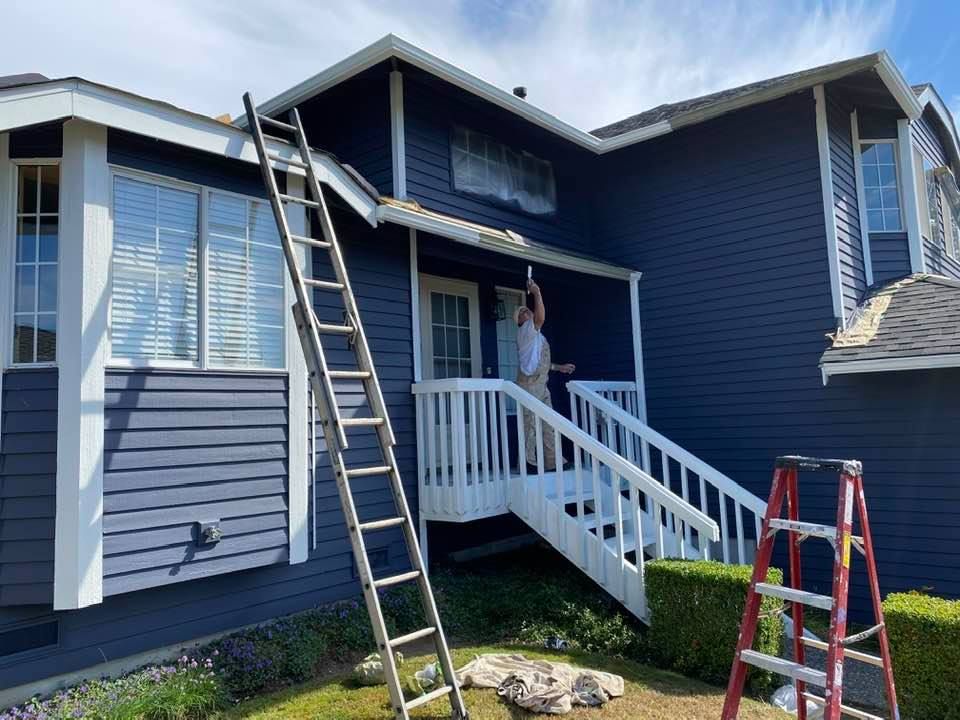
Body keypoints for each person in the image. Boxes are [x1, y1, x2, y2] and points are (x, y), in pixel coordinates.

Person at [515, 279, 575, 471]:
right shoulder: (526, 331)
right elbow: (540, 317)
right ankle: (526, 462)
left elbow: (541, 362)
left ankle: (553, 461)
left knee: (549, 422)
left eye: (527, 309)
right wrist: (537, 292)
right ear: (520, 321)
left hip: (541, 383)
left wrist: (559, 368)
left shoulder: (538, 337)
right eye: (522, 313)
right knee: (529, 423)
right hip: (530, 383)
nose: (527, 312)